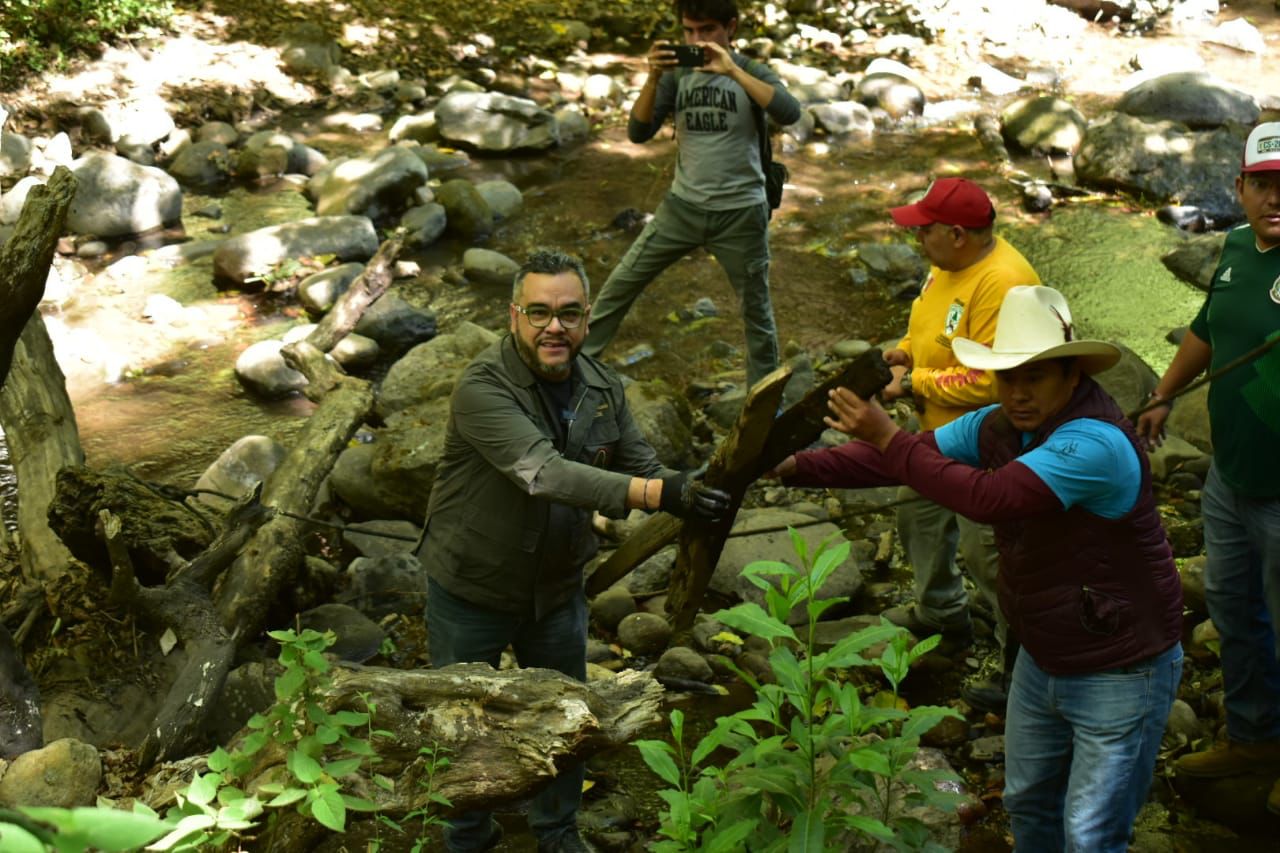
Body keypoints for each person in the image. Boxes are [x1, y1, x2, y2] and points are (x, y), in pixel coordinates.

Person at [771, 285, 1184, 852]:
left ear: (1071, 376)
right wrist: (796, 466)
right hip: (1043, 651)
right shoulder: (995, 424)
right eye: (1007, 375)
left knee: (1092, 834)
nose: (1017, 391)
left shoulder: (1096, 444)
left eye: (1034, 377)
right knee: (1029, 803)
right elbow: (907, 457)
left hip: (1121, 666)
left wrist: (886, 435)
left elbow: (989, 498)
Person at [418, 249, 730, 853]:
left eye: (567, 313)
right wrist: (659, 493)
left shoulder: (603, 386)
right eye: (538, 312)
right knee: (460, 725)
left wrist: (696, 487)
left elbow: (643, 463)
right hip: (470, 586)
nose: (553, 326)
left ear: (587, 319)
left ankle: (557, 832)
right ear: (514, 316)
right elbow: (544, 473)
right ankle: (465, 836)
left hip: (558, 591)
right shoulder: (482, 386)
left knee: (569, 716)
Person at [1137, 121, 1280, 810]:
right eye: (1262, 184)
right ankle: (1253, 736)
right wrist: (1162, 395)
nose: (1274, 198)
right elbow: (1206, 325)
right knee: (1233, 606)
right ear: (1241, 189)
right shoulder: (1233, 249)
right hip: (1230, 474)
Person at [880, 177, 1041, 711]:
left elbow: (994, 380)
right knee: (916, 514)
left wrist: (914, 382)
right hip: (936, 432)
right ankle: (943, 615)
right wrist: (905, 353)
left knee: (988, 553)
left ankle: (1021, 666)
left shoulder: (1005, 283)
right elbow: (931, 328)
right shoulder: (947, 263)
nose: (917, 241)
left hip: (990, 439)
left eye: (923, 232)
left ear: (957, 234)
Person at [581, 0, 801, 388]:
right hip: (681, 209)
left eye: (707, 30)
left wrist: (730, 68)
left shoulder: (750, 71)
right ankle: (571, 373)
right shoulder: (677, 76)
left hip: (741, 214)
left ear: (729, 28)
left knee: (757, 314)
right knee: (620, 285)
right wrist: (652, 77)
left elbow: (789, 111)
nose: (697, 40)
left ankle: (762, 407)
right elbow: (638, 133)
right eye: (689, 31)